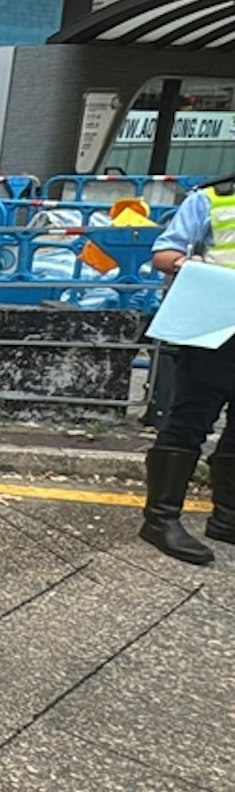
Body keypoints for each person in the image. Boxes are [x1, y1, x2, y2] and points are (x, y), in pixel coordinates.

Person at [140, 179, 235, 565]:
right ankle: (160, 519)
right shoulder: (212, 199)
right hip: (214, 327)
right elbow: (163, 254)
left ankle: (227, 518)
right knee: (190, 421)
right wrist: (186, 263)